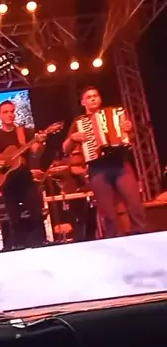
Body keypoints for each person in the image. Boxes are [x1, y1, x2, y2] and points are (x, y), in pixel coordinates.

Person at [62, 86, 146, 238]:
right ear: (83, 102)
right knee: (108, 212)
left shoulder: (116, 113)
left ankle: (142, 236)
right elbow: (65, 148)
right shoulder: (79, 122)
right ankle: (114, 240)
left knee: (135, 204)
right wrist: (73, 138)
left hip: (119, 162)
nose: (93, 98)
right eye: (89, 97)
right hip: (97, 167)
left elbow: (130, 139)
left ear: (100, 98)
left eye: (95, 95)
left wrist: (129, 130)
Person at [0, 100, 46, 249]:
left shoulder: (24, 133)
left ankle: (40, 244)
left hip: (25, 179)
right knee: (14, 218)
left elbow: (35, 152)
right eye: (6, 112)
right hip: (8, 182)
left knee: (36, 213)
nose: (10, 115)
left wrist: (40, 142)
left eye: (12, 111)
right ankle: (18, 247)